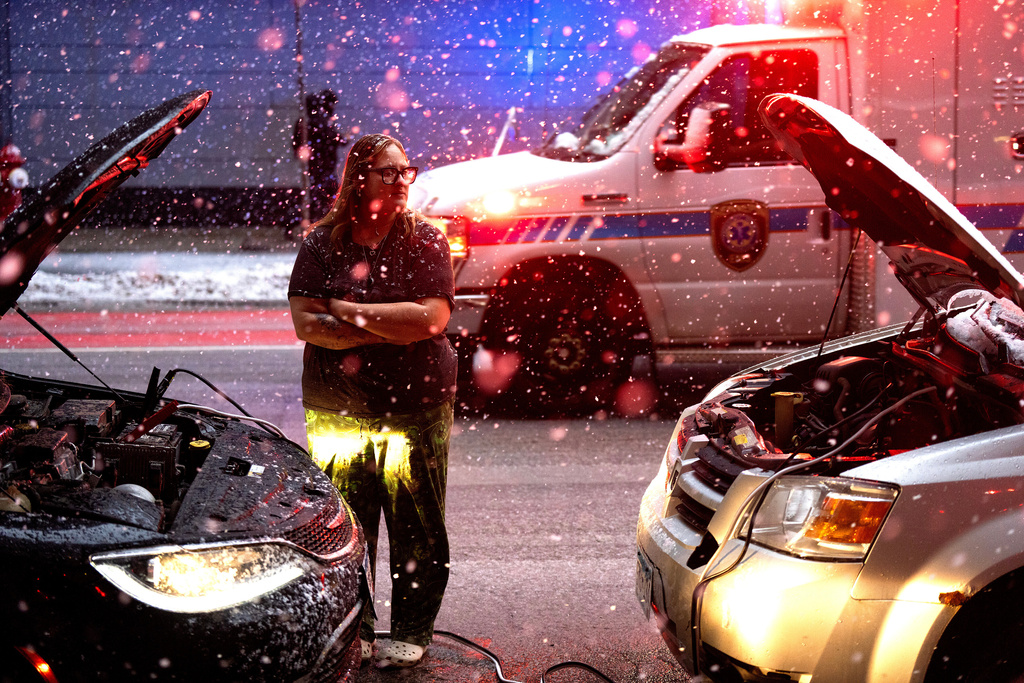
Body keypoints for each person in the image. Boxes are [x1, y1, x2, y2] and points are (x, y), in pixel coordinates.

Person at [287, 133, 457, 669]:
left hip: (414, 406)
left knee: (417, 524)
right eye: (390, 172)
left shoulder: (426, 239)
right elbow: (306, 324)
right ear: (359, 180)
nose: (403, 182)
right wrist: (390, 325)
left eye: (407, 171)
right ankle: (353, 628)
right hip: (337, 407)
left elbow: (431, 319)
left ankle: (411, 628)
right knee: (344, 525)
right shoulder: (321, 244)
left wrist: (347, 311)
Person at [293, 89, 347, 221]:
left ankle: (313, 221)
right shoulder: (320, 122)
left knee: (316, 195)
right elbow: (336, 139)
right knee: (326, 196)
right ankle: (322, 222)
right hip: (323, 166)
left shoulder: (306, 122)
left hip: (316, 166)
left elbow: (297, 145)